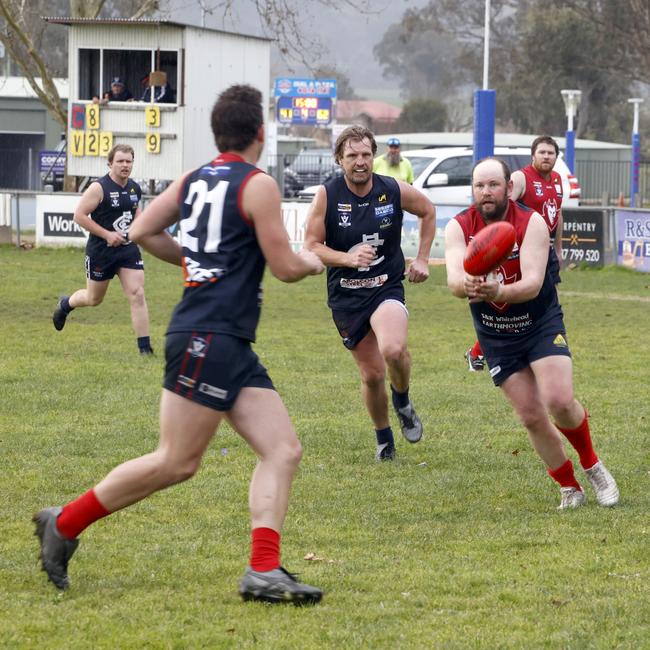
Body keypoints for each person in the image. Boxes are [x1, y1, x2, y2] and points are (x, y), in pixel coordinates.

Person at [35, 84, 325, 603]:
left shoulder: (194, 178)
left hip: (226, 338)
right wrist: (314, 259)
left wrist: (195, 263)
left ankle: (264, 570)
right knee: (176, 461)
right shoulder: (257, 185)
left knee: (282, 449)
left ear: (219, 134)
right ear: (260, 133)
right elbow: (284, 268)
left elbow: (144, 229)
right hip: (208, 336)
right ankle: (64, 523)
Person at [445, 157, 619, 510]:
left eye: (493, 184)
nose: (486, 192)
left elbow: (533, 283)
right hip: (495, 334)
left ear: (509, 187)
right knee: (530, 416)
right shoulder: (459, 226)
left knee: (558, 400)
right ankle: (569, 486)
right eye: (479, 186)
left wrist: (497, 292)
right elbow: (453, 282)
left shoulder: (531, 222)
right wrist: (468, 284)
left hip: (540, 324)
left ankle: (592, 465)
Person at [305, 125, 436, 461]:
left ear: (373, 156)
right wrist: (345, 258)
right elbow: (311, 247)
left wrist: (421, 258)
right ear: (339, 159)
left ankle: (403, 399)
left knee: (393, 349)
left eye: (366, 155)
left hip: (386, 286)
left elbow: (428, 210)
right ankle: (383, 439)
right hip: (347, 296)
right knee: (372, 374)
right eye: (352, 156)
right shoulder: (327, 195)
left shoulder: (391, 189)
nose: (360, 162)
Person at [465, 136, 565, 372]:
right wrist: (497, 242)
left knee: (545, 302)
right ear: (533, 155)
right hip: (520, 248)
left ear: (556, 157)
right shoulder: (521, 178)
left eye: (550, 153)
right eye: (542, 152)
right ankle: (480, 352)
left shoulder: (558, 180)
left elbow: (558, 214)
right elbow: (504, 207)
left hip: (546, 248)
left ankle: (537, 349)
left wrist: (558, 248)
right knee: (513, 304)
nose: (546, 156)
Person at [52, 144, 154, 355]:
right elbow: (79, 215)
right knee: (93, 299)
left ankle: (145, 349)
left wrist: (140, 229)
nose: (125, 165)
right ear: (110, 163)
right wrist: (107, 234)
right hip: (101, 251)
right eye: (120, 161)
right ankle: (65, 305)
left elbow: (135, 214)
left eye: (129, 161)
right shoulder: (98, 188)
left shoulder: (134, 188)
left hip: (127, 250)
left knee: (137, 294)